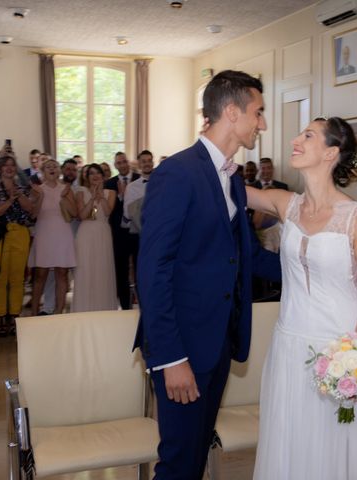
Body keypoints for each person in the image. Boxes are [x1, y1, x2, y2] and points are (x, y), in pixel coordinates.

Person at [135, 70, 280, 480]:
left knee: (196, 456)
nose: (263, 123)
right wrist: (171, 358)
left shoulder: (233, 177)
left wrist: (311, 267)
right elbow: (152, 270)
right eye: (259, 112)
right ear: (232, 112)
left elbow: (248, 256)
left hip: (218, 342)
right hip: (182, 346)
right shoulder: (177, 173)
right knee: (178, 462)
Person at [249, 117, 357, 479]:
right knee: (293, 439)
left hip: (338, 346)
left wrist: (353, 357)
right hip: (290, 342)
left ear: (330, 152)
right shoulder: (286, 204)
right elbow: (230, 188)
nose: (295, 140)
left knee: (337, 441)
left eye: (308, 136)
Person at [0, 155, 37, 336]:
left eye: (12, 165)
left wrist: (18, 194)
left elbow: (30, 209)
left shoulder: (22, 188)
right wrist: (9, 200)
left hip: (20, 234)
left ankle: (14, 315)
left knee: (17, 278)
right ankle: (0, 316)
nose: (9, 168)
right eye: (5, 165)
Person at [29, 159, 77, 315]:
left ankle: (59, 310)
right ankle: (34, 311)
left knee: (61, 273)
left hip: (63, 233)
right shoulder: (37, 189)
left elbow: (74, 213)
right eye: (48, 167)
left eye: (55, 167)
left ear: (59, 171)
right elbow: (33, 214)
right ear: (43, 171)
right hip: (44, 233)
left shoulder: (66, 188)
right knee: (40, 274)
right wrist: (40, 196)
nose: (52, 169)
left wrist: (64, 197)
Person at [72, 163, 118, 312]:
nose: (95, 176)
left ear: (103, 176)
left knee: (102, 271)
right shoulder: (81, 192)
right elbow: (83, 215)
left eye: (98, 173)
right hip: (85, 234)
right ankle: (84, 309)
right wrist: (92, 198)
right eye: (91, 173)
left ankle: (103, 309)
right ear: (87, 177)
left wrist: (101, 197)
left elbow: (107, 212)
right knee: (85, 269)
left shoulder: (111, 192)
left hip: (103, 232)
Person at [105, 151, 140, 309]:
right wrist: (121, 197)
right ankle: (125, 306)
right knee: (121, 270)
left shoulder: (140, 179)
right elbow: (109, 211)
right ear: (115, 166)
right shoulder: (109, 183)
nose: (122, 165)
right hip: (119, 234)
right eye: (118, 163)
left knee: (140, 269)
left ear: (129, 162)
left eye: (124, 161)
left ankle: (142, 302)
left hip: (138, 232)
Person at [122, 150, 154, 236]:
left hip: (159, 229)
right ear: (139, 165)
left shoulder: (162, 183)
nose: (147, 164)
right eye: (143, 162)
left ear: (153, 163)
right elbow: (127, 213)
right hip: (139, 231)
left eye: (149, 161)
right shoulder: (131, 187)